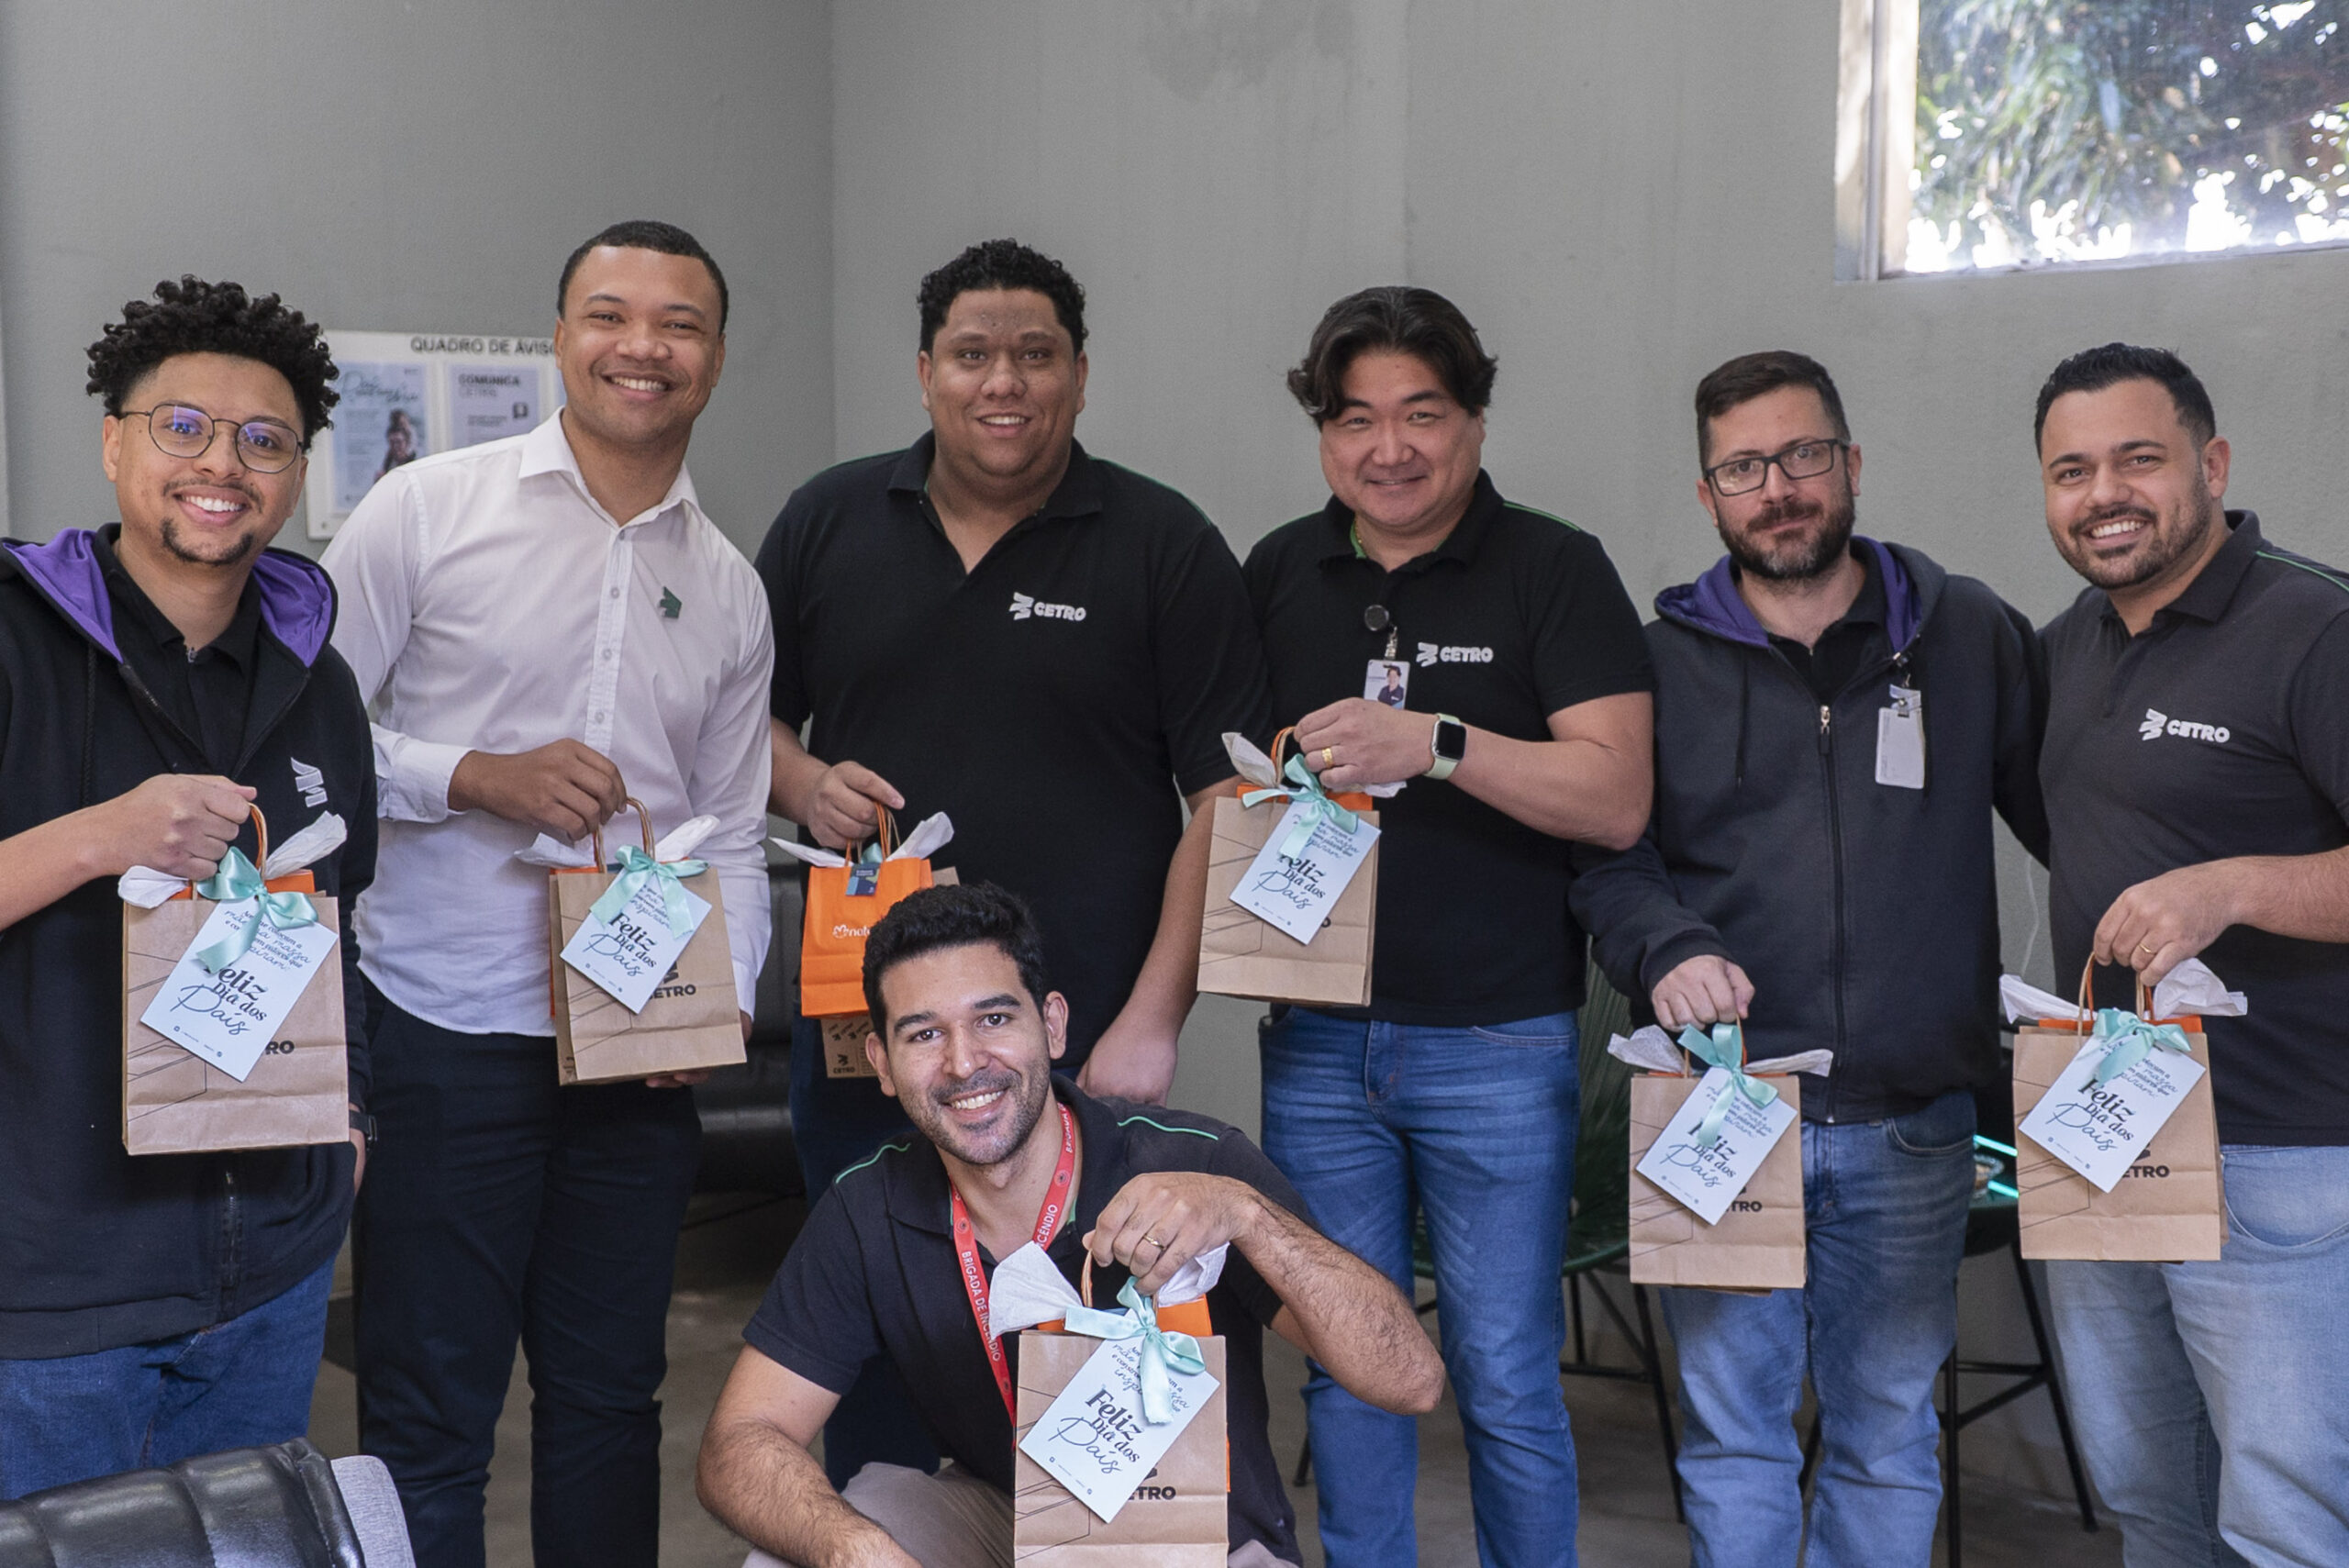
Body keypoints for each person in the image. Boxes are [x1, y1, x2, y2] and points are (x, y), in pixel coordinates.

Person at [754, 238, 1269, 1482]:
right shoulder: (830, 518)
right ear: (927, 371)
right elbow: (741, 724)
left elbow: (1226, 796)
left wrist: (1158, 1015)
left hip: (1084, 1040)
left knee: (1094, 1341)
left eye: (1036, 355)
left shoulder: (1162, 541)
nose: (1006, 382)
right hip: (873, 1038)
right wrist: (806, 777)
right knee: (874, 1323)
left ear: (1080, 377)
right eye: (974, 354)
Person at [321, 220, 774, 1568]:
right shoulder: (424, 508)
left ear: (716, 357)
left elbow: (736, 837)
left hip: (633, 1067)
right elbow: (307, 731)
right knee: (428, 1420)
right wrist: (477, 777)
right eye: (611, 315)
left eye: (679, 324)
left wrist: (716, 1011)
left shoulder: (730, 586)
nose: (645, 346)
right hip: (442, 1029)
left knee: (606, 1405)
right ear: (562, 336)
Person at [1569, 350, 2047, 1567]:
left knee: (1887, 1435)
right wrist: (1665, 947)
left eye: (1802, 456)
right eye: (1744, 467)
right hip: (1723, 1111)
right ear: (1708, 494)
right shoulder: (1651, 663)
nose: (1778, 487)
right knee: (1735, 1441)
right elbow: (1606, 858)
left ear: (1849, 463)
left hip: (1914, 1122)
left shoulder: (1968, 632)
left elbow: (2074, 816)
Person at [1241, 286, 1654, 1567]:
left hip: (1497, 1042)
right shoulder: (1275, 573)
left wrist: (1440, 745)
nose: (1389, 447)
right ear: (1323, 435)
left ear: (1474, 420)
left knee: (1507, 1374)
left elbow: (1618, 796)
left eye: (1422, 412)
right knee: (1346, 1367)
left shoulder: (1555, 567)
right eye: (1355, 417)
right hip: (1315, 1047)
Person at [696, 883, 1445, 1568]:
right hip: (1009, 1521)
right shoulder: (868, 1207)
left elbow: (1411, 1380)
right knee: (795, 1558)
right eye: (923, 1034)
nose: (964, 1063)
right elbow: (738, 1442)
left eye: (994, 1018)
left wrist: (1250, 1218)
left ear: (1052, 1025)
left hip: (1200, 1539)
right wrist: (851, 1548)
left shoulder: (1196, 1160)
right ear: (882, 1063)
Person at [0, 278, 374, 1497]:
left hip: (268, 1275)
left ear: (298, 473)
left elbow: (340, 925)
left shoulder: (317, 679)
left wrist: (350, 1127)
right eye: (183, 426)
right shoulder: (15, 637)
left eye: (265, 440)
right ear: (113, 441)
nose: (223, 463)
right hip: (51, 1283)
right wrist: (103, 836)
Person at [2031, 343, 2349, 1568]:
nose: (2103, 492)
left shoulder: (2313, 626)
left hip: (2285, 1163)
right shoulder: (2067, 647)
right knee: (2150, 1500)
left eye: (2137, 459)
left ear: (2211, 466)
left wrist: (2239, 887)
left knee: (2289, 1521)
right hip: (2108, 1138)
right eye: (2071, 470)